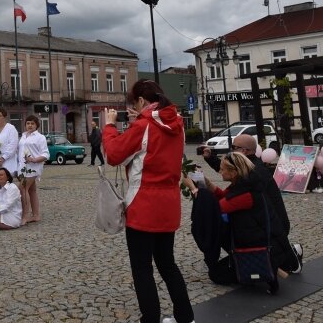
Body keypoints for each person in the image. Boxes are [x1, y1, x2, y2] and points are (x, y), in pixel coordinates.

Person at [104, 79, 194, 323]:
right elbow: (153, 147)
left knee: (142, 268)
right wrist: (139, 121)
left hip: (143, 204)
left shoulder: (144, 126)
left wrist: (109, 127)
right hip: (169, 203)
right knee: (167, 264)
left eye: (135, 103)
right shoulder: (177, 123)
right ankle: (185, 317)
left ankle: (151, 318)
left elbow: (114, 154)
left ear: (141, 101)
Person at [183, 152, 290, 294]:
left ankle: (260, 271)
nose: (220, 171)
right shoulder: (245, 183)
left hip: (262, 247)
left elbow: (215, 210)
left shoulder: (245, 194)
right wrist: (206, 183)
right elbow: (224, 196)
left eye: (222, 169)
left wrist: (194, 189)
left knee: (216, 274)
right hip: (263, 241)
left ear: (234, 172)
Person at [200, 134, 302, 274]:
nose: (230, 151)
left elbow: (222, 205)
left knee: (219, 228)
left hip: (269, 232)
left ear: (244, 151)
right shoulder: (249, 170)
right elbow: (228, 169)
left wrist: (196, 191)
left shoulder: (253, 175)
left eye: (233, 147)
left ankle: (288, 258)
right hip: (262, 228)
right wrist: (208, 165)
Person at [18, 115, 49, 224]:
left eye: (32, 123)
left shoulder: (40, 137)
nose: (30, 125)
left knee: (22, 188)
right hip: (23, 167)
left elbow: (46, 154)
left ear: (36, 125)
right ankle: (36, 215)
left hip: (33, 167)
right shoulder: (23, 136)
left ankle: (25, 216)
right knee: (32, 190)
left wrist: (35, 160)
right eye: (28, 123)